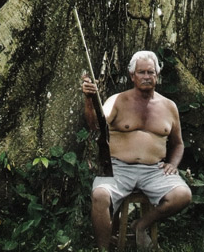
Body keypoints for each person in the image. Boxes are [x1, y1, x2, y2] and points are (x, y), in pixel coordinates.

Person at [81, 50, 192, 251]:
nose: (147, 77)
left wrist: (173, 164)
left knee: (183, 194)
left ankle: (141, 225)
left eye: (151, 72)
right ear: (132, 76)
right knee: (99, 195)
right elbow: (95, 126)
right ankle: (103, 249)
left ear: (157, 75)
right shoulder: (117, 100)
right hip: (118, 168)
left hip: (154, 171)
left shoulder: (169, 106)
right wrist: (89, 99)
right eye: (141, 72)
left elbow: (178, 143)